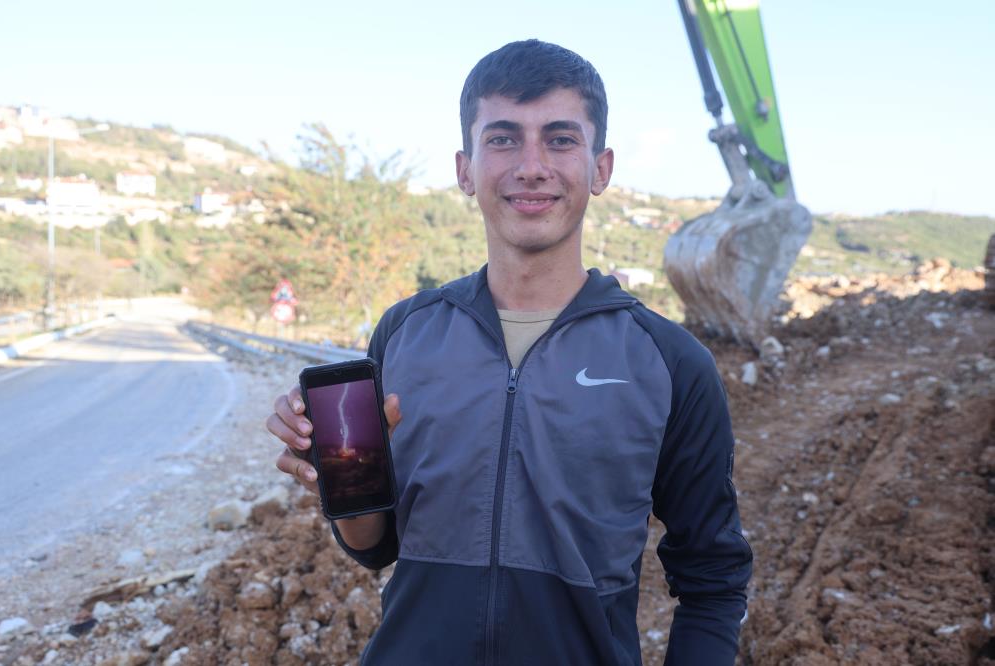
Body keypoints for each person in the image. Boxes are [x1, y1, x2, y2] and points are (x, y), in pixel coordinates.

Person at [266, 39, 752, 665]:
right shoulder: (404, 334)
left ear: (600, 168)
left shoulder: (669, 361)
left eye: (559, 139)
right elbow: (375, 547)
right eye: (502, 139)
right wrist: (341, 482)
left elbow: (712, 577)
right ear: (465, 169)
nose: (531, 166)